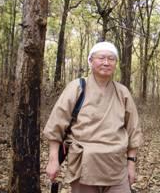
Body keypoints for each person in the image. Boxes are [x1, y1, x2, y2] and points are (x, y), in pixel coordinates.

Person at [44, 41, 143, 193]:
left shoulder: (122, 92)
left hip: (116, 169)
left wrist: (131, 164)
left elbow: (133, 130)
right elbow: (56, 126)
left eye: (111, 59)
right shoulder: (77, 87)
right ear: (90, 61)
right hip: (84, 168)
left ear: (115, 63)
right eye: (101, 57)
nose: (106, 62)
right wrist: (53, 160)